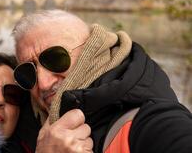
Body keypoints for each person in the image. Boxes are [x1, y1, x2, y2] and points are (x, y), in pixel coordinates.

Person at [11, 9, 192, 153]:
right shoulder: (23, 125)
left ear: (93, 50)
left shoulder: (154, 124)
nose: (43, 83)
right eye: (27, 72)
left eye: (55, 59)